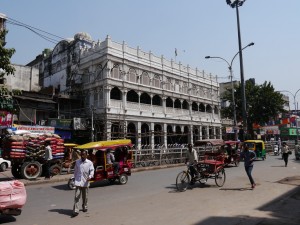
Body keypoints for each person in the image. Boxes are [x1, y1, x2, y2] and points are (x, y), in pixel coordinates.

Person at [72, 150, 95, 217]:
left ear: (86, 155)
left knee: (85, 197)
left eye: (83, 155)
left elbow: (92, 171)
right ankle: (76, 210)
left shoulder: (89, 163)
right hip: (78, 182)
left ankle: (84, 206)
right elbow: (75, 171)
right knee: (77, 196)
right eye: (81, 154)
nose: (82, 156)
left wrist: (90, 176)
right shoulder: (77, 162)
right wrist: (74, 178)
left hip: (85, 182)